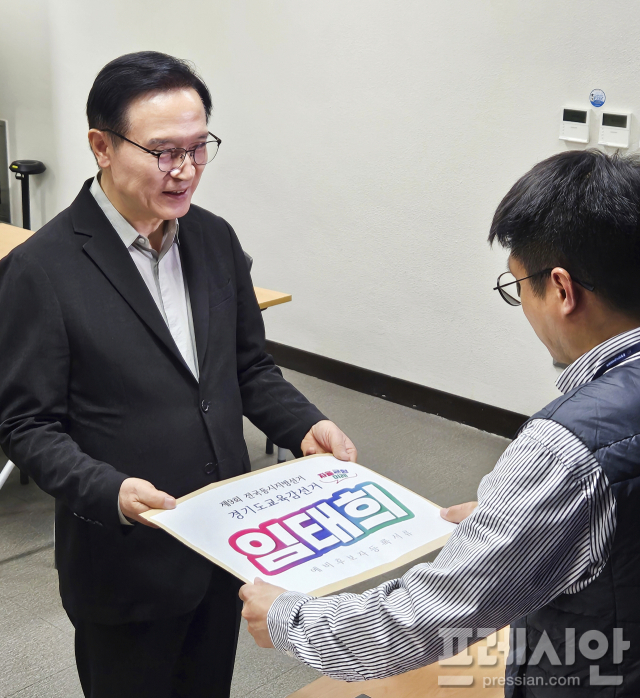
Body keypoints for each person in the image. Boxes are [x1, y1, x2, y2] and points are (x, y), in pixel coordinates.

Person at [0, 51, 356, 698]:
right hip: (125, 564)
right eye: (163, 152)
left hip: (223, 545)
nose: (185, 169)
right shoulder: (41, 269)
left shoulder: (214, 239)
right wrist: (108, 490)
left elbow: (247, 366)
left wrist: (305, 425)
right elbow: (26, 424)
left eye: (198, 148)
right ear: (101, 146)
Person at [240, 149, 640, 695]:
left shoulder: (564, 451)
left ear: (562, 291)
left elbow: (423, 620)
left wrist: (288, 618)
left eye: (517, 286)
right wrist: (540, 523)